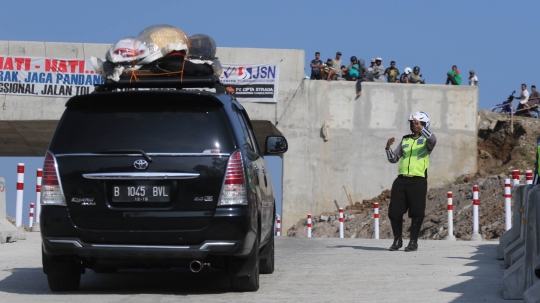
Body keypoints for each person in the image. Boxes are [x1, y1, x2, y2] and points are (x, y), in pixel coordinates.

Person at [385, 112, 437, 252]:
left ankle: (413, 242)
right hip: (401, 180)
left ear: (424, 125)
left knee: (416, 212)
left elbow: (433, 140)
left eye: (418, 123)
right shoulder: (405, 140)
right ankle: (397, 240)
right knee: (394, 212)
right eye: (413, 123)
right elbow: (393, 159)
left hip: (418, 180)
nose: (414, 125)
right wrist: (387, 149)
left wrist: (421, 129)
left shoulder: (427, 140)